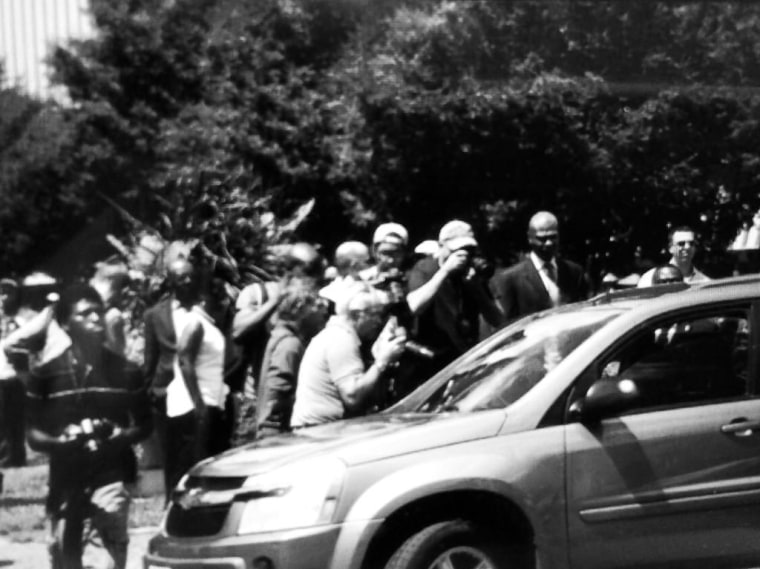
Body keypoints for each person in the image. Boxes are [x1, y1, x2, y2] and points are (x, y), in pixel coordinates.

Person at [10, 284, 151, 569]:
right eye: (85, 314)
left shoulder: (126, 371)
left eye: (99, 312)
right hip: (64, 482)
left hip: (111, 478)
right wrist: (60, 443)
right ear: (65, 323)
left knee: (106, 563)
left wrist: (118, 438)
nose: (96, 319)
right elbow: (33, 436)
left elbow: (145, 425)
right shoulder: (45, 375)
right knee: (66, 559)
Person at [291, 284, 406, 427]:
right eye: (375, 314)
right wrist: (381, 362)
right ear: (358, 314)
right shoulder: (342, 339)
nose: (378, 321)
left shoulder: (335, 335)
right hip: (322, 431)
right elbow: (353, 396)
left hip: (318, 429)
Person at [404, 220, 503, 381]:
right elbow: (414, 306)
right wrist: (444, 272)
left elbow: (498, 320)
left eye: (468, 250)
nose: (463, 256)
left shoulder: (471, 274)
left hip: (464, 362)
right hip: (431, 366)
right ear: (441, 246)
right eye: (457, 250)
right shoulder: (425, 269)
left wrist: (477, 289)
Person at [164, 261, 229, 494]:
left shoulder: (208, 325)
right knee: (190, 470)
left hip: (208, 401)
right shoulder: (195, 323)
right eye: (221, 298)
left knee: (203, 467)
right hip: (194, 407)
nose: (224, 303)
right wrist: (198, 404)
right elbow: (184, 360)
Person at [143, 257, 199, 498]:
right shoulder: (155, 315)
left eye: (190, 276)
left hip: (200, 391)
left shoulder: (206, 308)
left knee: (196, 453)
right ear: (171, 282)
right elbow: (150, 358)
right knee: (172, 455)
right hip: (166, 392)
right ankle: (172, 503)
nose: (187, 281)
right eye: (181, 277)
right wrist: (149, 393)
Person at [255, 286, 328, 438]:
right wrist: (272, 431)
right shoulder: (290, 345)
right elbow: (277, 393)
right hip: (275, 434)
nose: (323, 314)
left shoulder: (279, 336)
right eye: (317, 306)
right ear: (300, 309)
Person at [491, 211, 589, 323]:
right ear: (529, 238)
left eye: (553, 237)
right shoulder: (510, 279)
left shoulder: (574, 272)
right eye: (542, 239)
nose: (548, 243)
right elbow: (506, 325)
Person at [0, 278, 26, 467]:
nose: (3, 297)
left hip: (13, 376)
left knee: (14, 418)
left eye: (7, 293)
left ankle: (16, 455)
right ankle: (6, 454)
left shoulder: (19, 321)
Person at [637, 226, 711, 287]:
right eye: (681, 243)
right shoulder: (649, 278)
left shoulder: (705, 282)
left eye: (691, 243)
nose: (687, 247)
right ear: (670, 248)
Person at [319, 241, 371, 311]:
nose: (369, 266)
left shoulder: (324, 293)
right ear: (354, 265)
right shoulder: (365, 290)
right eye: (366, 262)